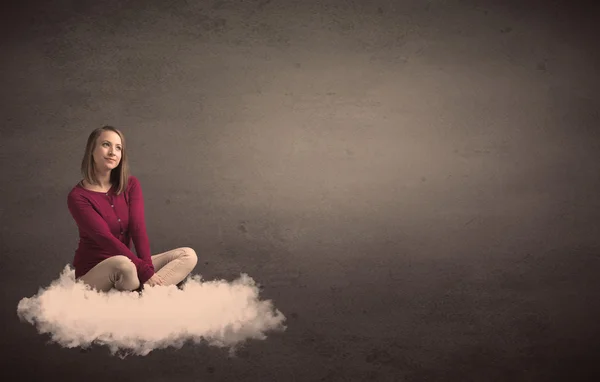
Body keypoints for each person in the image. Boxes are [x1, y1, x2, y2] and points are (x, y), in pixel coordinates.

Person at [67, 126, 198, 292]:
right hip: (95, 273)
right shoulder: (78, 196)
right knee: (124, 266)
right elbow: (105, 239)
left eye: (118, 147)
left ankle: (143, 295)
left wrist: (147, 270)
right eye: (106, 144)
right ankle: (147, 294)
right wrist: (143, 271)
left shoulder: (131, 185)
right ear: (92, 150)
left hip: (129, 266)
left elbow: (138, 229)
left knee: (188, 255)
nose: (112, 152)